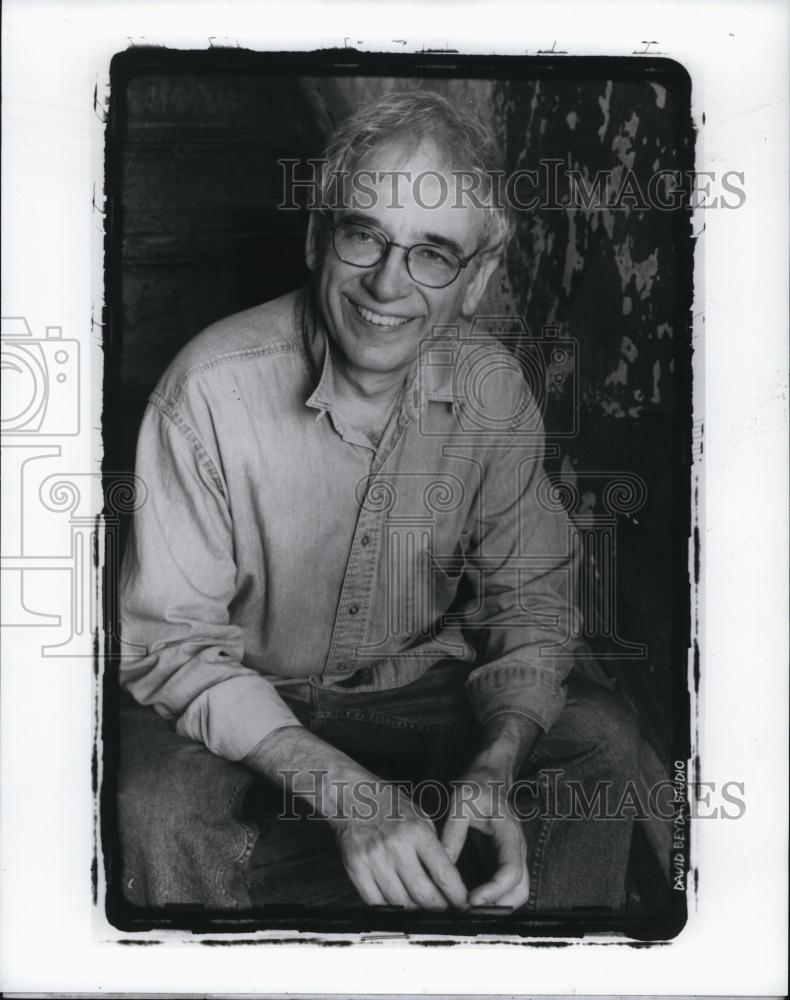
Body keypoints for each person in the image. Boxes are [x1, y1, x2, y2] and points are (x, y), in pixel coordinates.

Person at [117, 90, 640, 915]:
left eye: (434, 254)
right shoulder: (208, 390)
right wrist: (350, 798)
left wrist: (497, 761)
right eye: (365, 235)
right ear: (319, 238)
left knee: (599, 745)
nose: (388, 284)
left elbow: (531, 604)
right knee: (152, 803)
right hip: (253, 696)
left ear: (477, 280)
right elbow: (172, 650)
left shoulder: (492, 391)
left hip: (409, 691)